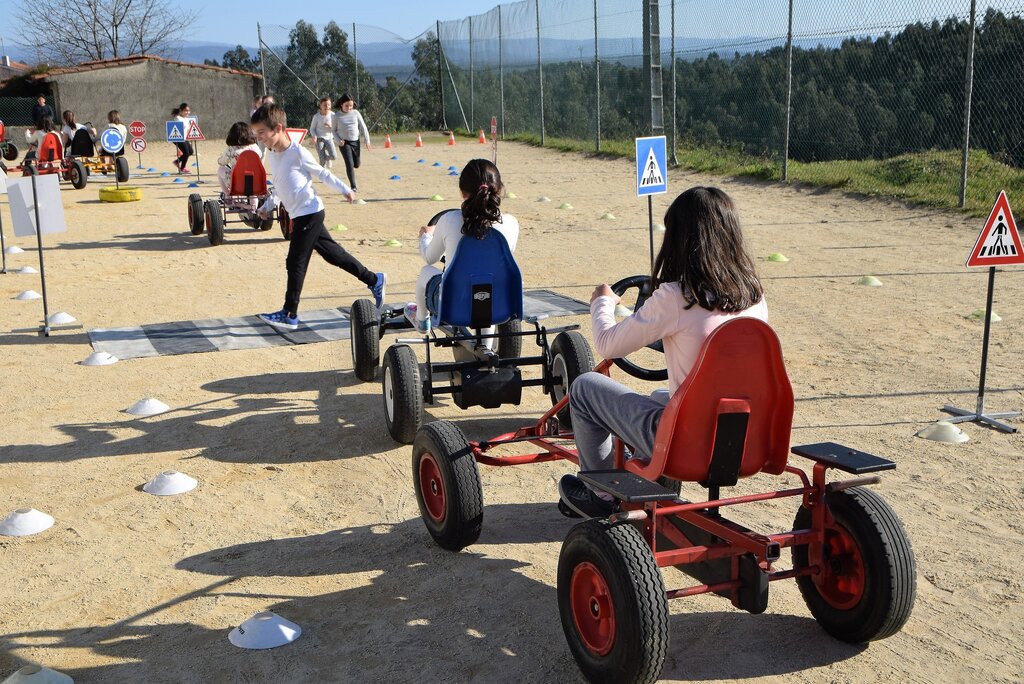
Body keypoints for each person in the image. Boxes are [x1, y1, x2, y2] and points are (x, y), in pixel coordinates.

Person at [558, 186, 769, 518]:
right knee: (661, 394)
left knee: (584, 388)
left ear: (679, 241)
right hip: (743, 439)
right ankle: (636, 472)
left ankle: (600, 493)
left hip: (686, 444)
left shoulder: (675, 296)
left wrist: (602, 303)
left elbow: (608, 344)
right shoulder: (754, 296)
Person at [251, 103, 386, 331]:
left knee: (295, 262)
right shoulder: (273, 155)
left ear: (278, 128)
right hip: (300, 214)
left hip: (310, 213)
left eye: (262, 133)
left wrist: (345, 189)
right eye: (257, 134)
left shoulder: (297, 152)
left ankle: (289, 313)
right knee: (335, 256)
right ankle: (375, 280)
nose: (260, 138)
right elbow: (280, 186)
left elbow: (322, 173)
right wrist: (268, 205)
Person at [409, 158, 519, 334]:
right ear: (498, 189)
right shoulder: (512, 223)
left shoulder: (449, 220)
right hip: (500, 305)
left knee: (426, 272)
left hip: (453, 306)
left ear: (462, 191)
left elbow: (430, 258)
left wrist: (426, 236)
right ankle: (486, 349)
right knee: (487, 286)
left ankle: (422, 320)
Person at [333, 94, 370, 191]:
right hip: (344, 143)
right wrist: (338, 140)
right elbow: (333, 130)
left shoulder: (356, 113)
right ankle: (353, 186)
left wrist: (367, 140)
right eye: (347, 106)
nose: (349, 108)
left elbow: (363, 126)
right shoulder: (336, 116)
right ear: (341, 104)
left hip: (355, 142)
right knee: (349, 164)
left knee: (356, 164)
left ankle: (355, 164)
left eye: (351, 106)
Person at [216, 121, 261, 195]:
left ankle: (228, 195)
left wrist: (220, 159)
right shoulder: (255, 147)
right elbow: (260, 156)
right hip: (255, 182)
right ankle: (254, 204)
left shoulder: (231, 149)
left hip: (238, 184)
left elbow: (221, 162)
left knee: (220, 170)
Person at [310, 97, 336, 169]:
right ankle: (322, 174)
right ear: (320, 106)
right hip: (319, 138)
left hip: (329, 138)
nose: (327, 107)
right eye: (324, 105)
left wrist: (331, 126)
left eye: (329, 105)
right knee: (322, 159)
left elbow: (336, 128)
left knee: (334, 156)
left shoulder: (333, 115)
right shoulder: (316, 116)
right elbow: (312, 129)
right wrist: (314, 136)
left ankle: (327, 159)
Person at [171, 103, 194, 173]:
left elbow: (187, 129)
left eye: (188, 111)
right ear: (181, 110)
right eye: (186, 111)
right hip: (178, 138)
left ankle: (177, 161)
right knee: (186, 153)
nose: (188, 112)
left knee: (190, 152)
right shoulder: (178, 118)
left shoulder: (186, 119)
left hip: (184, 138)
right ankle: (182, 168)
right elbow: (177, 127)